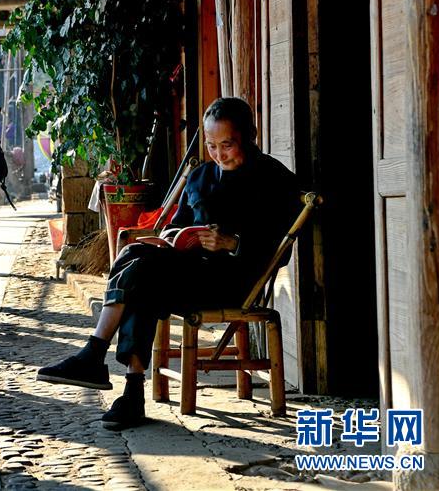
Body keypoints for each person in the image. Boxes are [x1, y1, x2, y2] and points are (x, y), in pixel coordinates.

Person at [37, 97, 299, 429]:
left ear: (250, 136)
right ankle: (128, 388)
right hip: (188, 274)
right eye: (212, 145)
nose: (219, 155)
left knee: (141, 271)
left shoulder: (273, 179)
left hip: (234, 283)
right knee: (138, 261)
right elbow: (176, 226)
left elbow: (280, 251)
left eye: (228, 145)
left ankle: (100, 360)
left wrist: (232, 243)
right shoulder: (201, 177)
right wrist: (171, 238)